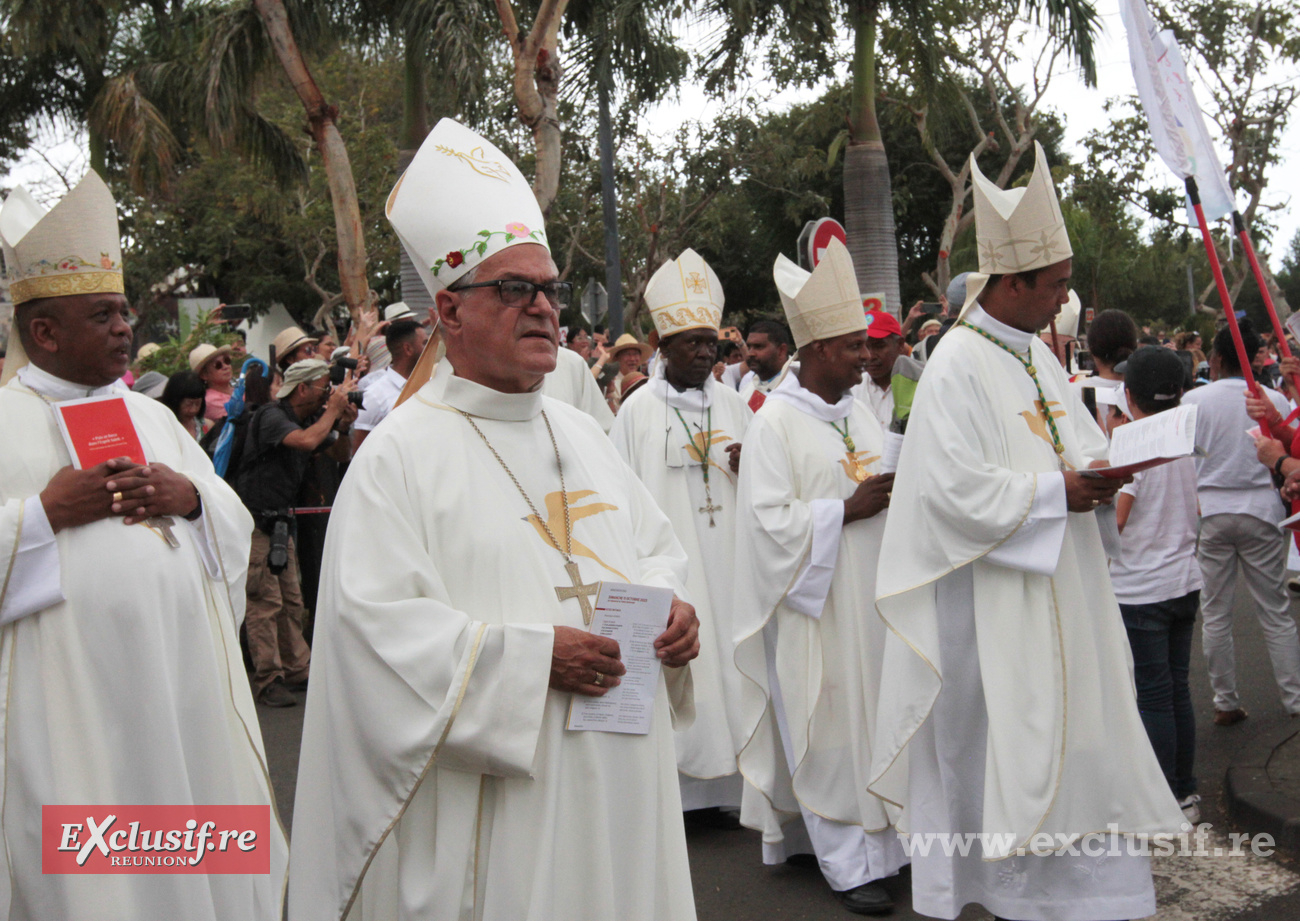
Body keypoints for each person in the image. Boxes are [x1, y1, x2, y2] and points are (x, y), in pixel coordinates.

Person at [289, 118, 701, 921]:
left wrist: (675, 611)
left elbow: (656, 549)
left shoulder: (583, 430)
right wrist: (528, 660)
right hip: (504, 806)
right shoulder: (396, 458)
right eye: (515, 289)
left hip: (619, 777)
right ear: (448, 308)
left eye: (548, 288)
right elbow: (375, 640)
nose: (544, 307)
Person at [871, 142, 1185, 921]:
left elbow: (1073, 443)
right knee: (1009, 760)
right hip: (995, 616)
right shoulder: (954, 366)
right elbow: (947, 492)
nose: (1064, 298)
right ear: (1011, 281)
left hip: (1063, 596)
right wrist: (1060, 491)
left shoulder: (1037, 358)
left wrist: (1106, 467)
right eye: (1055, 284)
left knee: (1085, 749)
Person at [0, 172, 286, 918]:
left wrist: (187, 497)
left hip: (180, 691)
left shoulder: (152, 417)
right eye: (103, 314)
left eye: (124, 310)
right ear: (44, 333)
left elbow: (226, 516)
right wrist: (41, 515)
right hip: (72, 710)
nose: (125, 325)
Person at [733, 238, 903, 916]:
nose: (864, 358)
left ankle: (886, 847)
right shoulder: (774, 422)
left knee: (870, 722)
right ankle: (848, 861)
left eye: (865, 345)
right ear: (810, 350)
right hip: (814, 608)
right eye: (849, 347)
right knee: (826, 727)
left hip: (866, 601)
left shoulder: (856, 410)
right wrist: (846, 510)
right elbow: (768, 524)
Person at [610, 248, 752, 821]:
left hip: (733, 566)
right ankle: (682, 795)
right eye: (691, 340)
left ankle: (736, 786)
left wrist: (755, 467)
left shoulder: (739, 407)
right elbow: (620, 499)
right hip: (676, 573)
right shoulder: (637, 412)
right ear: (661, 345)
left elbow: (767, 488)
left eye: (710, 341)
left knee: (734, 669)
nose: (704, 351)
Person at [1183, 322, 1300, 724]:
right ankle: (1294, 698)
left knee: (1215, 611)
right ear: (1254, 357)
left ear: (1214, 359)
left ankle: (1225, 701)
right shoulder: (1272, 400)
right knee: (1275, 610)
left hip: (1211, 510)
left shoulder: (1193, 399)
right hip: (1261, 510)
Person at [1111, 347, 1204, 823]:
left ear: (1128, 396)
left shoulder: (1131, 445)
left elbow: (1118, 523)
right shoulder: (1180, 442)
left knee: (1151, 693)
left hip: (1141, 589)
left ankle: (1161, 797)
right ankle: (1184, 792)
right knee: (1177, 690)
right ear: (1181, 392)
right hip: (1184, 581)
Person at [234, 358, 358, 707]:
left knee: (292, 600)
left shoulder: (305, 419)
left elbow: (338, 452)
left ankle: (297, 669)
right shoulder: (273, 416)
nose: (327, 394)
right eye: (322, 386)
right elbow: (306, 442)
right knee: (264, 602)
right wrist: (332, 412)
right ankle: (268, 679)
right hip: (255, 522)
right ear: (302, 388)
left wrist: (344, 425)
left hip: (280, 521)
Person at [351, 317, 427, 451]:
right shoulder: (373, 397)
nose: (430, 349)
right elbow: (360, 451)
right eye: (425, 343)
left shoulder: (432, 383)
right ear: (408, 349)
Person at [851, 309, 904, 429]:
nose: (869, 355)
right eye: (861, 347)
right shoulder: (851, 391)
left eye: (879, 346)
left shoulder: (917, 387)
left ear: (900, 345)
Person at [738, 318, 793, 410]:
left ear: (781, 351)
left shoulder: (796, 388)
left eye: (758, 346)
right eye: (749, 347)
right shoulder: (748, 388)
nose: (750, 353)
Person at [190, 341, 236, 423]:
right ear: (204, 375)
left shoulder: (237, 388)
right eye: (218, 365)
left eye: (227, 360)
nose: (225, 366)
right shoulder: (209, 401)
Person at [160, 369, 210, 440]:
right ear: (175, 401)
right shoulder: (164, 428)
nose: (193, 410)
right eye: (189, 404)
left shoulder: (206, 426)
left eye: (197, 404)